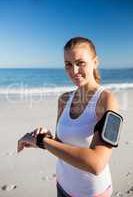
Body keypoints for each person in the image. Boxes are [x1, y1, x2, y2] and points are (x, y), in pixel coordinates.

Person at [18, 37, 119, 197]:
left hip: (92, 192)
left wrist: (42, 141)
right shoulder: (64, 99)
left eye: (80, 63)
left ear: (95, 62)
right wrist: (45, 136)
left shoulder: (106, 100)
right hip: (62, 185)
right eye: (68, 65)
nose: (74, 71)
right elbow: (61, 144)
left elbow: (97, 164)